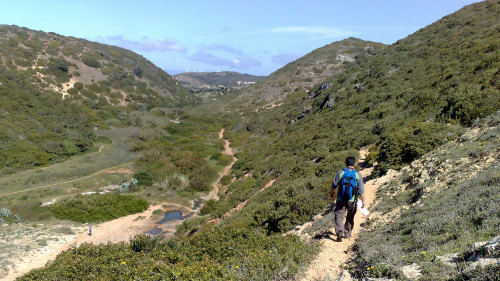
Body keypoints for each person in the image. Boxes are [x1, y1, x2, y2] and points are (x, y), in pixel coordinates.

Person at [328, 156, 365, 242]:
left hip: (341, 198)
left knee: (339, 215)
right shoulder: (357, 174)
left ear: (346, 163)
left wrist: (331, 193)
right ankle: (348, 234)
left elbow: (334, 184)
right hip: (352, 200)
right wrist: (363, 201)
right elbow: (361, 190)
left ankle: (339, 231)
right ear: (354, 164)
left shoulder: (341, 172)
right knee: (350, 216)